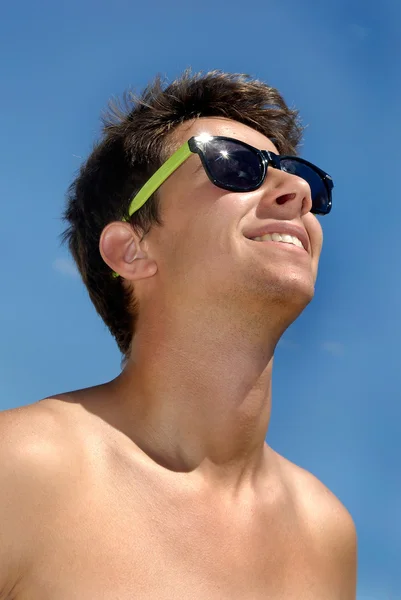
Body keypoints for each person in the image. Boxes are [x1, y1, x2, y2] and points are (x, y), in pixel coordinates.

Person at [0, 70, 357, 599]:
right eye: (235, 165)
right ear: (131, 250)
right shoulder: (21, 467)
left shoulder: (326, 531)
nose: (298, 191)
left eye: (305, 177)